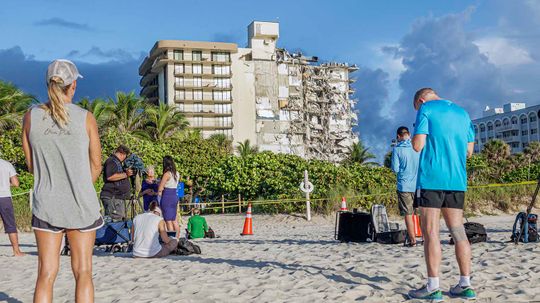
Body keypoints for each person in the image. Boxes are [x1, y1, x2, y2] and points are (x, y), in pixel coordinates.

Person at [22, 59, 103, 303]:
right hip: (81, 203)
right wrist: (79, 185)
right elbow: (96, 164)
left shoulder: (30, 117)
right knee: (84, 271)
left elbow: (31, 165)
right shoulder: (86, 118)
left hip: (47, 202)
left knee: (46, 273)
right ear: (73, 85)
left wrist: (52, 180)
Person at [408, 88, 476, 301]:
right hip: (457, 180)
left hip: (432, 179)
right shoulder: (462, 112)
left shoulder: (426, 109)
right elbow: (469, 151)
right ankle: (465, 285)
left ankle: (433, 287)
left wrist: (416, 135)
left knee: (431, 233)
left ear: (420, 101)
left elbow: (418, 145)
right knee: (458, 232)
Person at [391, 126, 420, 247]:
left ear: (398, 136)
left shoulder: (397, 149)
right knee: (419, 212)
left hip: (404, 185)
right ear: (408, 134)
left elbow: (395, 169)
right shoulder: (417, 146)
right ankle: (425, 236)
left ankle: (412, 239)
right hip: (419, 184)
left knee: (408, 213)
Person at [100, 145, 133, 221]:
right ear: (122, 154)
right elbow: (110, 176)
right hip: (112, 197)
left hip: (117, 197)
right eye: (126, 156)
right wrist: (125, 174)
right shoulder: (112, 161)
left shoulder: (117, 162)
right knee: (114, 220)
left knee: (119, 220)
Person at [0, 158, 25, 257]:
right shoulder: (7, 164)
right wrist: (6, 184)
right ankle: (16, 251)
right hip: (5, 198)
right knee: (10, 225)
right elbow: (16, 183)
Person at [157, 156, 180, 236]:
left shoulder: (167, 174)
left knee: (168, 220)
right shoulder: (176, 173)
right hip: (174, 195)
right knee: (174, 219)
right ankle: (177, 237)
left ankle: (171, 238)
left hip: (167, 196)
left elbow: (160, 188)